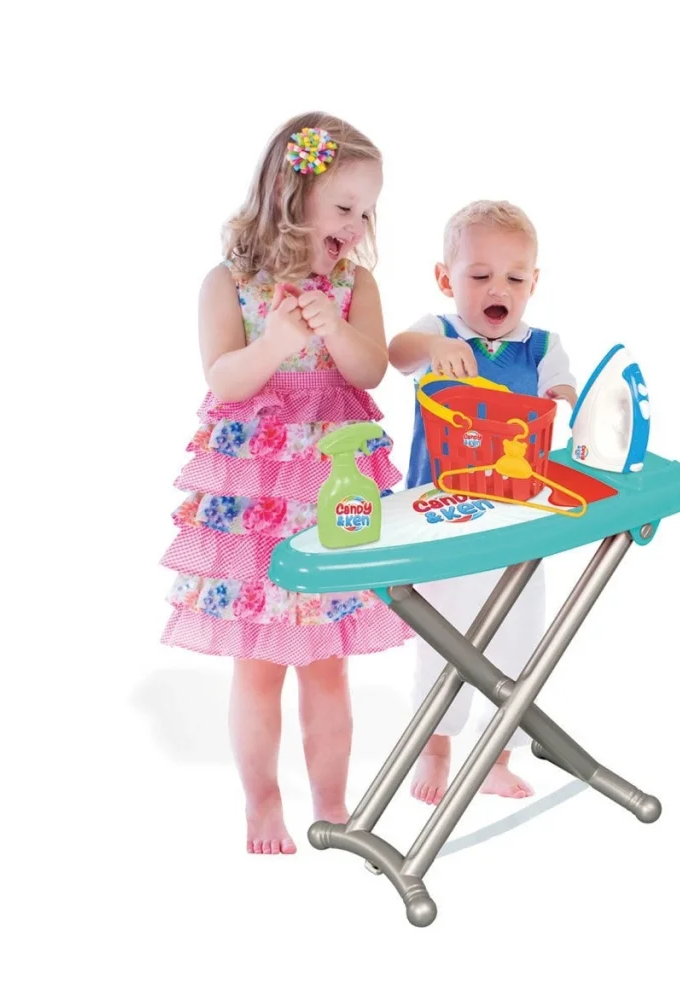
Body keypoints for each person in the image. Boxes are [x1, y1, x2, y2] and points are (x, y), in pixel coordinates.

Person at [161, 113, 414, 853]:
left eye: (367, 210)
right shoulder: (229, 283)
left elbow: (371, 370)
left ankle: (331, 803)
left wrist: (334, 329)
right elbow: (223, 379)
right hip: (257, 502)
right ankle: (262, 801)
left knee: (328, 667)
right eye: (344, 207)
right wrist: (276, 341)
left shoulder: (354, 283)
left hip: (333, 485)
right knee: (260, 667)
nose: (358, 225)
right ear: (290, 194)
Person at [387, 200, 578, 805]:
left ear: (533, 283)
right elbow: (397, 352)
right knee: (443, 640)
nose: (499, 289)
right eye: (480, 275)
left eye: (515, 278)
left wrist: (569, 401)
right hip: (441, 518)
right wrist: (430, 347)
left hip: (517, 521)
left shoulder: (542, 346)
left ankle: (496, 756)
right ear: (446, 279)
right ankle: (436, 746)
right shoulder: (439, 331)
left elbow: (565, 393)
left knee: (518, 639)